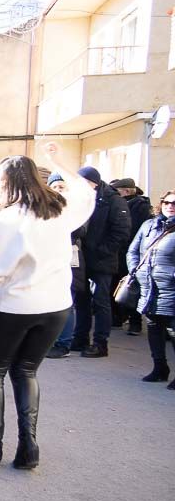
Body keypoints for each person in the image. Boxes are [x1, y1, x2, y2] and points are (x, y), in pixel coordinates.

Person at [0, 144, 96, 470]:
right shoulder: (57, 209)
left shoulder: (8, 220)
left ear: (15, 182)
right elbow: (86, 194)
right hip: (56, 307)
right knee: (26, 371)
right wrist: (59, 160)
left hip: (16, 306)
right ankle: (29, 446)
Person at [70, 166, 131, 358]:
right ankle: (80, 339)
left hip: (102, 260)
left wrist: (101, 251)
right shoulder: (80, 200)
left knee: (100, 301)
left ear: (92, 183)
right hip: (81, 258)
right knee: (81, 300)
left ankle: (100, 343)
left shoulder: (113, 201)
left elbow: (121, 233)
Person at [126, 190, 175, 388]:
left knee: (173, 331)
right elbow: (133, 250)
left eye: (174, 203)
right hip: (149, 286)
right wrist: (135, 272)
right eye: (167, 202)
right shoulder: (149, 225)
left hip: (171, 288)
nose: (170, 206)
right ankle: (159, 368)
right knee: (154, 328)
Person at [44, 172, 89, 359]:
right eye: (54, 187)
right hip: (48, 259)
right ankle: (51, 341)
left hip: (70, 260)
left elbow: (80, 230)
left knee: (66, 303)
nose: (58, 190)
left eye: (61, 187)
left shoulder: (75, 209)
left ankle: (64, 343)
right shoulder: (46, 207)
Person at [112, 177, 153, 336]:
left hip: (133, 253)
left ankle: (134, 322)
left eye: (117, 191)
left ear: (127, 191)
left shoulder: (139, 207)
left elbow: (133, 230)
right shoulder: (124, 204)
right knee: (119, 286)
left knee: (132, 288)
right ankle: (119, 317)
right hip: (121, 252)